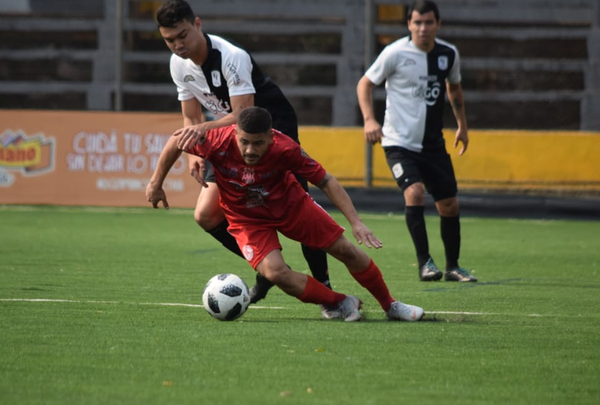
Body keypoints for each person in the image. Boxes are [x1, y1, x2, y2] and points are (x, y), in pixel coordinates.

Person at [146, 107, 424, 322]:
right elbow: (175, 142)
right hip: (247, 219)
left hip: (292, 207)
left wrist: (356, 222)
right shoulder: (217, 140)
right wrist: (156, 183)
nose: (250, 150)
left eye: (258, 143)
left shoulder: (286, 147)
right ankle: (340, 301)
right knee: (276, 272)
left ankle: (391, 305)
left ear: (271, 137)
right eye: (244, 142)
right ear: (235, 134)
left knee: (345, 250)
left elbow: (326, 180)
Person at [155, 0, 336, 311]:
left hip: (269, 127)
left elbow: (244, 113)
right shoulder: (177, 65)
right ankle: (266, 269)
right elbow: (190, 117)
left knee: (301, 210)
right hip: (227, 136)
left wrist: (202, 131)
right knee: (206, 215)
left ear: (197, 24)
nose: (178, 45)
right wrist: (192, 154)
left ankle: (325, 288)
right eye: (169, 40)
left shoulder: (231, 57)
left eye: (183, 35)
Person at [356, 0, 477, 283]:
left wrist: (462, 125)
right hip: (398, 143)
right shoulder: (395, 53)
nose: (423, 28)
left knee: (449, 205)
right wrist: (369, 119)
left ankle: (453, 267)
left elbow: (454, 88)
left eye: (428, 22)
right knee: (415, 193)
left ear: (438, 24)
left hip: (433, 144)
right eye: (417, 22)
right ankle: (425, 264)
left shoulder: (448, 54)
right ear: (409, 25)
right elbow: (365, 83)